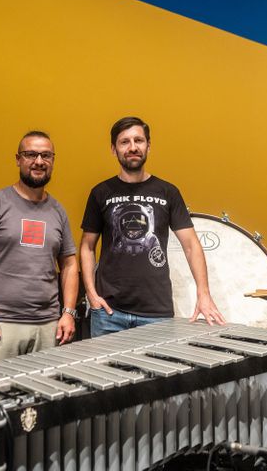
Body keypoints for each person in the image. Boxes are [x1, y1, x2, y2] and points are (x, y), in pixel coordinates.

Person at [80, 116, 225, 337]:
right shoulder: (100, 193)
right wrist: (91, 294)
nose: (132, 147)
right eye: (124, 142)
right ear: (113, 149)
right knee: (106, 372)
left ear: (148, 146)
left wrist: (203, 294)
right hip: (108, 313)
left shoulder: (168, 192)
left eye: (138, 140)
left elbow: (191, 245)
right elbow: (87, 247)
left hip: (156, 314)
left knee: (157, 373)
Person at [0, 130, 78, 365]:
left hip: (48, 327)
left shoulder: (58, 211)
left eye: (46, 156)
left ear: (53, 161)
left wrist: (68, 313)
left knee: (43, 398)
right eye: (31, 154)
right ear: (18, 159)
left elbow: (69, 264)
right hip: (0, 325)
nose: (39, 161)